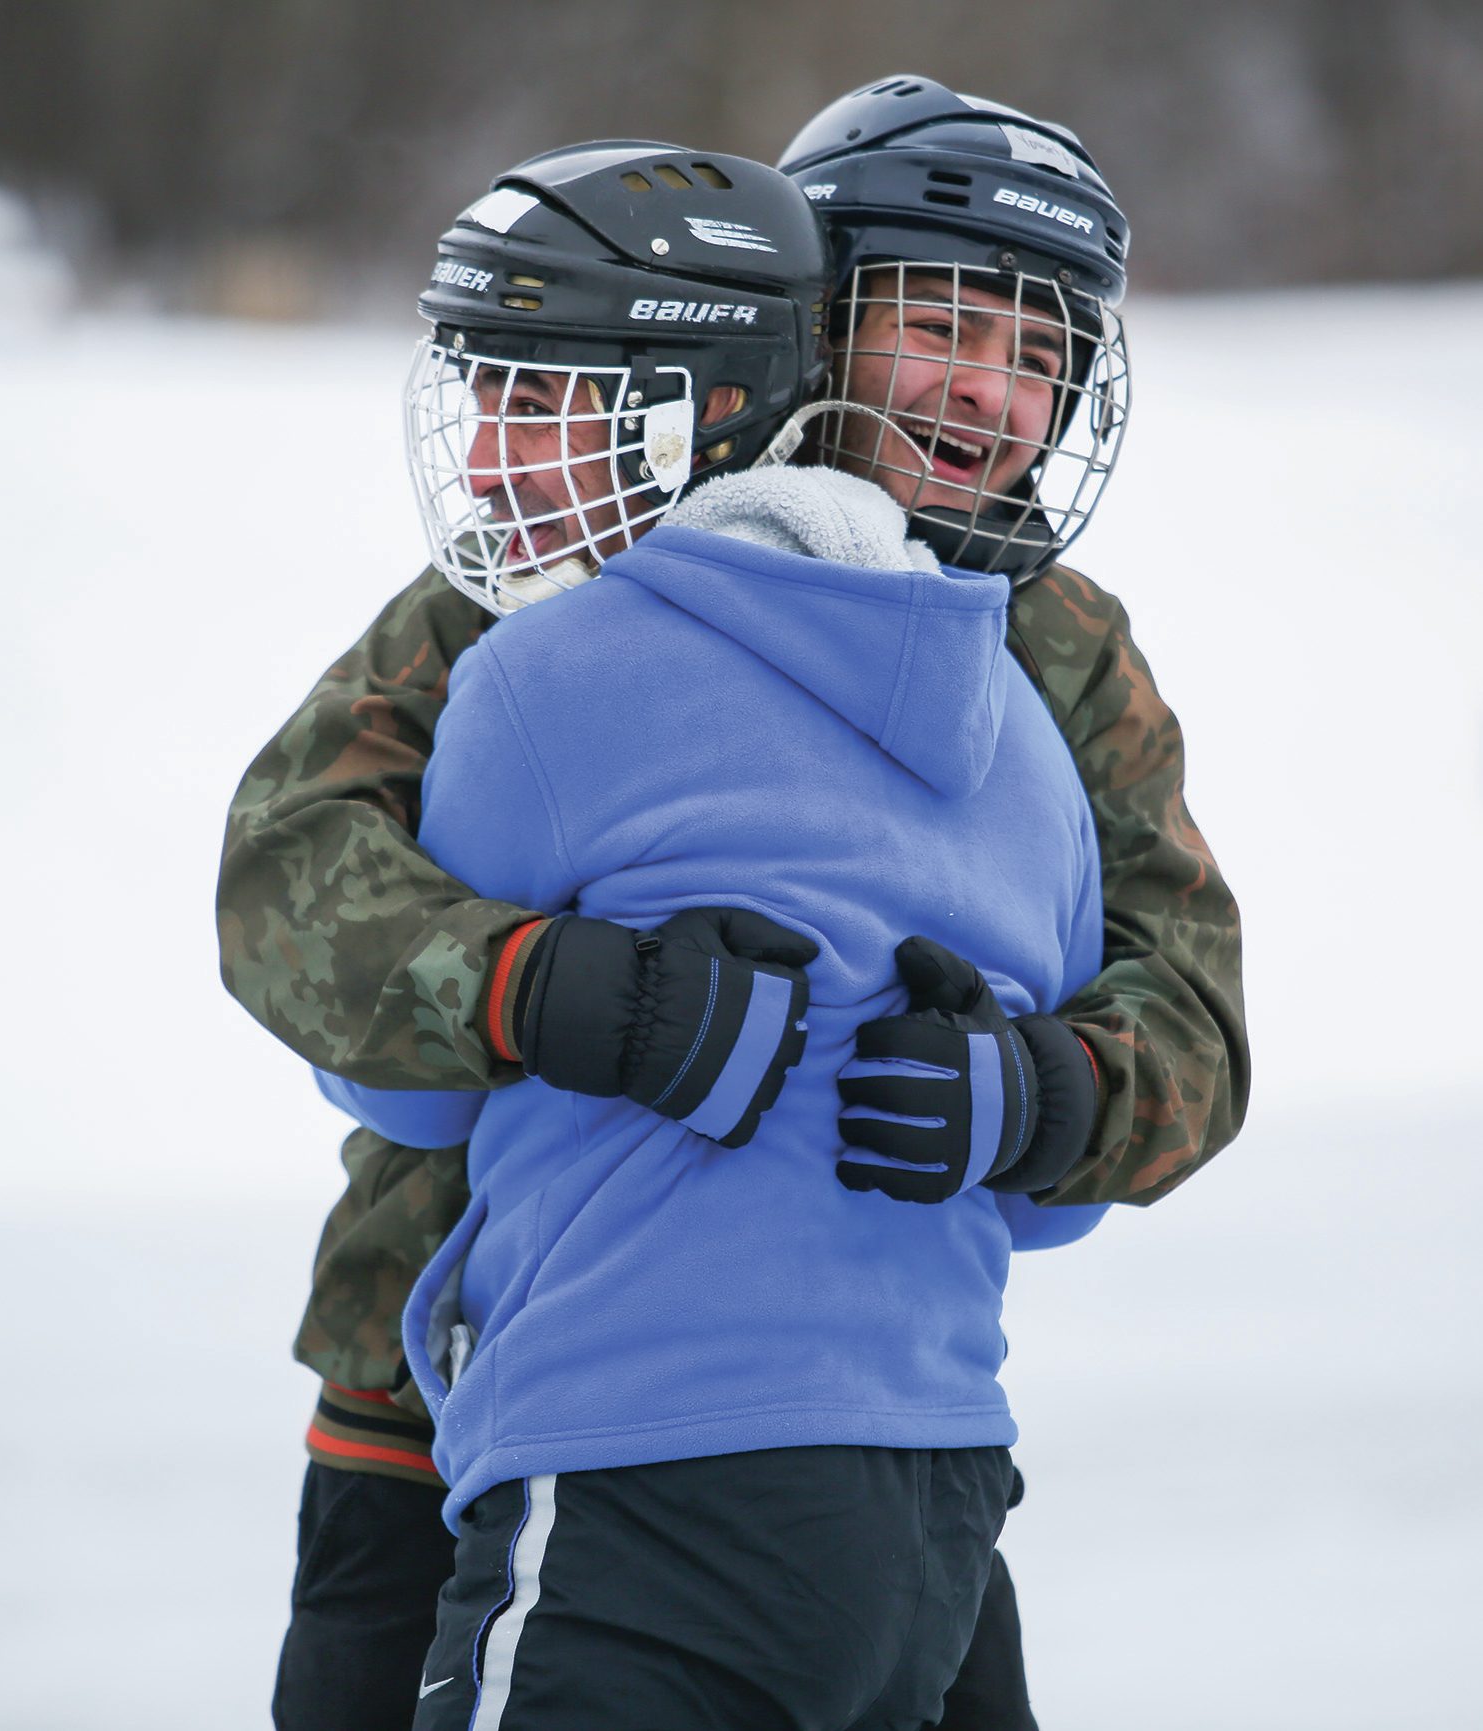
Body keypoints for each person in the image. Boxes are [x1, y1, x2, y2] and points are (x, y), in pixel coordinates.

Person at [217, 79, 1249, 1731]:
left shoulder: (1049, 647)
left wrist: (1054, 1093)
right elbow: (288, 875)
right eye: (942, 325)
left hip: (871, 1426)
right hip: (450, 1400)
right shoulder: (556, 557)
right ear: (815, 319)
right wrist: (537, 985)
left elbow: (1191, 1013)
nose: (991, 392)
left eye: (1041, 352)